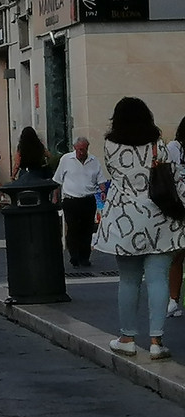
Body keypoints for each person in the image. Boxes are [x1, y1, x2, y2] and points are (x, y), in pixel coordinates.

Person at [95, 97, 185, 360]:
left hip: (126, 222)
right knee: (157, 279)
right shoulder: (160, 147)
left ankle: (127, 338)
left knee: (129, 280)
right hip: (159, 220)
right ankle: (156, 341)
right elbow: (174, 178)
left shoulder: (110, 146)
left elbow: (113, 173)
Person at [53, 137, 105, 268]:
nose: (83, 152)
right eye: (80, 149)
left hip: (88, 199)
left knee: (87, 229)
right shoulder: (66, 159)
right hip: (71, 200)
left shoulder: (94, 161)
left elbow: (101, 179)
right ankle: (74, 256)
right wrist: (55, 196)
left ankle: (84, 257)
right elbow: (58, 180)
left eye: (85, 149)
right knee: (73, 228)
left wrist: (103, 191)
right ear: (75, 148)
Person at [166, 117, 185, 317]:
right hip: (179, 208)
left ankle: (174, 299)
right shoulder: (174, 148)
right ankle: (173, 299)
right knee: (178, 255)